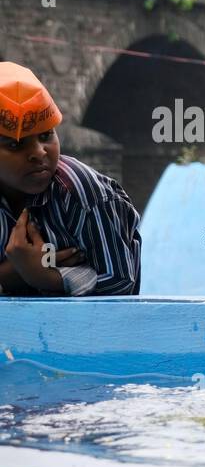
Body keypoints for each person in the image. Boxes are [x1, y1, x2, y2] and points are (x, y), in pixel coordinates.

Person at [0, 62, 140, 296]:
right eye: (16, 144)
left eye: (46, 135)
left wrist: (45, 277)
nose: (39, 152)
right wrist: (16, 270)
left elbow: (120, 278)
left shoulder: (85, 195)